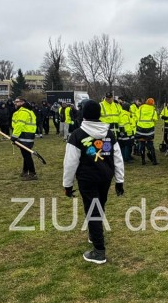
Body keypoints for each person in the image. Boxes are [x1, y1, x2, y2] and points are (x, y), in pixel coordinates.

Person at [62, 100, 125, 264]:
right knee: (98, 206)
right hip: (105, 178)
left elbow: (69, 163)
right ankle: (94, 232)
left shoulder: (77, 135)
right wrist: (119, 180)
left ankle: (99, 251)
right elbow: (117, 159)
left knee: (93, 210)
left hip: (88, 179)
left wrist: (67, 185)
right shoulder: (108, 133)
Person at [11, 97, 38, 180]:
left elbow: (19, 124)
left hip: (25, 135)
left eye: (17, 102)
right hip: (28, 135)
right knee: (25, 154)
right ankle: (25, 171)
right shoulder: (28, 111)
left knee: (26, 155)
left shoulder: (23, 112)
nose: (15, 103)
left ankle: (32, 173)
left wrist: (14, 136)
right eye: (15, 102)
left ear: (22, 102)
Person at [135, 98, 159, 165]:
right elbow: (155, 119)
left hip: (140, 128)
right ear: (153, 103)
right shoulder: (153, 110)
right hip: (149, 129)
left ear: (146, 102)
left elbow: (137, 116)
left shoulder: (141, 108)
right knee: (150, 145)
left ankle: (143, 161)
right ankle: (154, 161)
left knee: (142, 144)